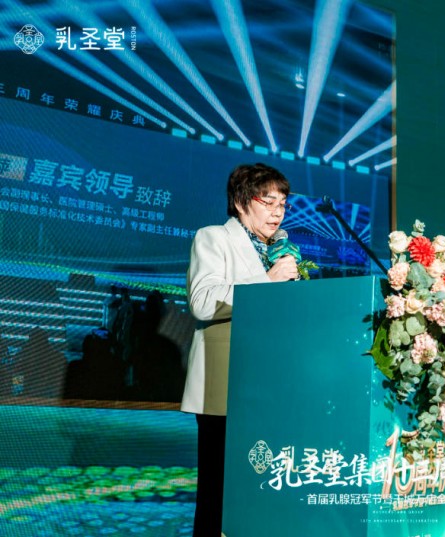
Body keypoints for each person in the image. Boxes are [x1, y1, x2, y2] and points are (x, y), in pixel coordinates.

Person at [182, 163, 298, 537]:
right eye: (268, 201)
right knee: (219, 496)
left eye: (282, 203)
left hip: (271, 390)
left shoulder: (279, 251)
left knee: (260, 492)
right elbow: (202, 302)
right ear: (240, 201)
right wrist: (266, 280)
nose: (277, 212)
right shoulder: (213, 237)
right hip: (226, 389)